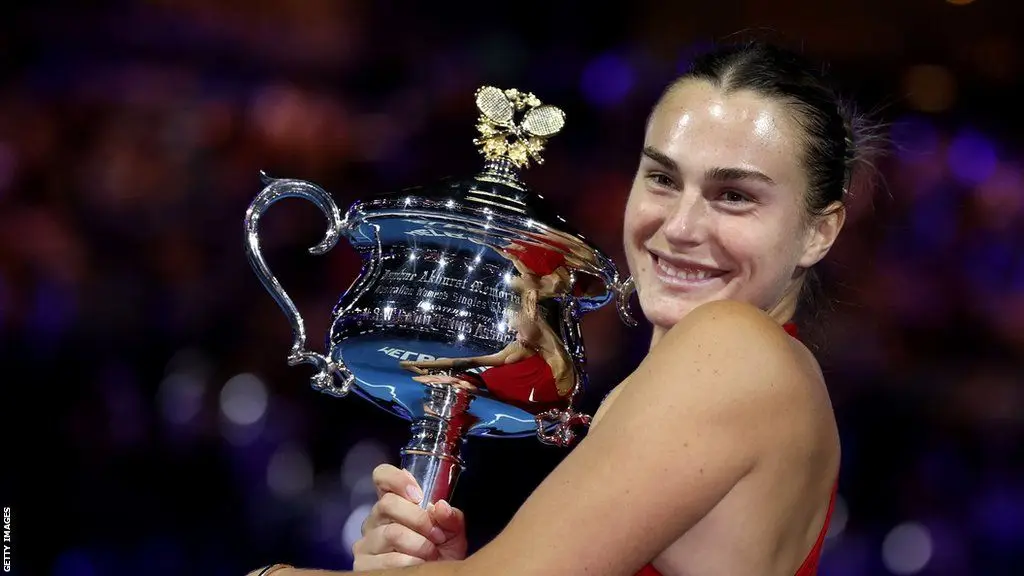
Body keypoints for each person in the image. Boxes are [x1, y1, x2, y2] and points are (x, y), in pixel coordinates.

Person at [247, 39, 880, 576]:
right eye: (663, 178)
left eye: (734, 195)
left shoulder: (735, 349)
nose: (681, 226)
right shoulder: (750, 376)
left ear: (819, 231)